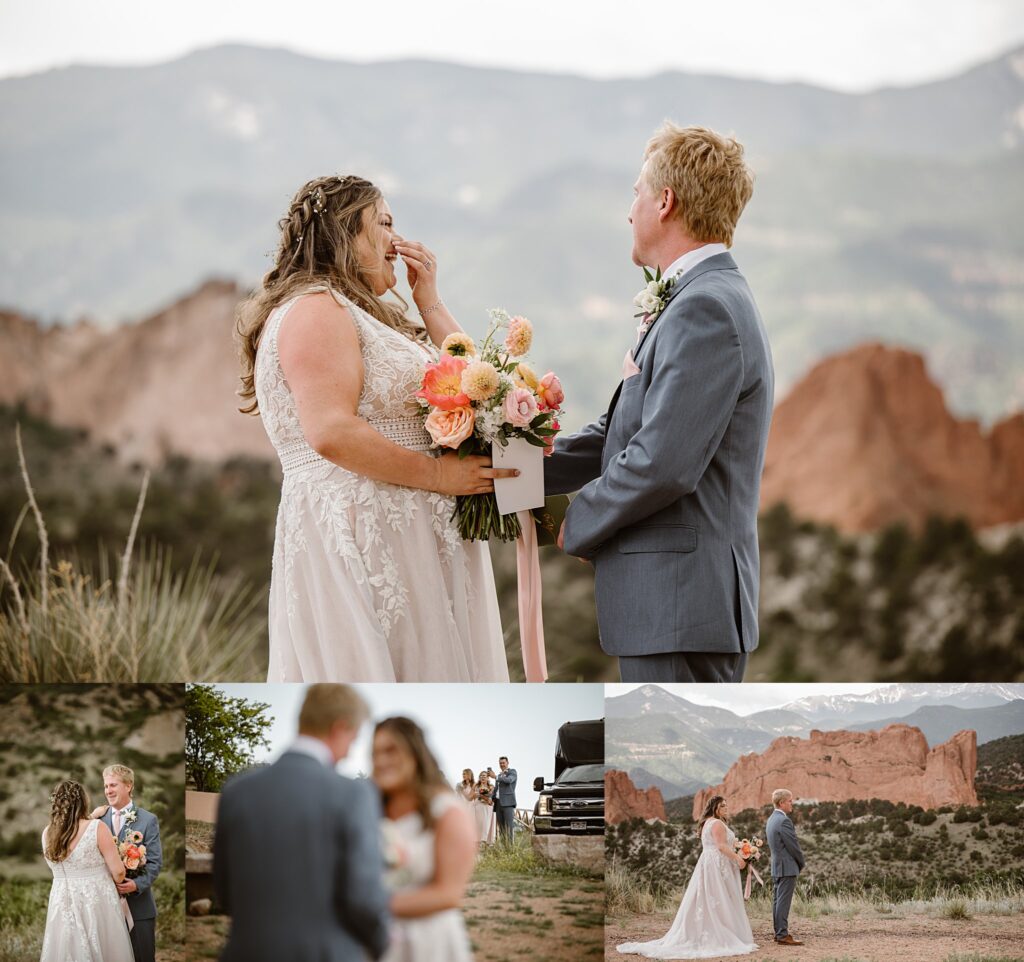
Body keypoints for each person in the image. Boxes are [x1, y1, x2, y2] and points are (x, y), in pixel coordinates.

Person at [236, 174, 515, 682]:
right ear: (345, 233)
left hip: (409, 534)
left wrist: (428, 299)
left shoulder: (363, 313)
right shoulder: (315, 310)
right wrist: (439, 478)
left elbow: (478, 383)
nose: (396, 239)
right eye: (383, 223)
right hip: (367, 537)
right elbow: (330, 432)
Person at [545, 123, 774, 683]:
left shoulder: (706, 310)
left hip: (682, 609)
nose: (630, 211)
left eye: (635, 193)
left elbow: (663, 461)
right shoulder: (698, 298)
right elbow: (620, 433)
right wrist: (514, 471)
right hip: (676, 610)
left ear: (665, 201)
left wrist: (582, 519)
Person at [213, 684, 392, 962]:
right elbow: (364, 900)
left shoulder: (236, 790)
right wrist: (383, 944)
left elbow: (224, 891)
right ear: (340, 728)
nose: (348, 752)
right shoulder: (353, 794)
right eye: (353, 739)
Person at [375, 717, 477, 962]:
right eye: (375, 753)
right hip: (377, 941)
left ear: (415, 752)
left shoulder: (446, 812)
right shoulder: (370, 809)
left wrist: (372, 905)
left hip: (429, 943)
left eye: (391, 750)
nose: (381, 761)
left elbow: (449, 893)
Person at [617, 795, 757, 958]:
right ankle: (721, 932)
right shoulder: (717, 823)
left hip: (709, 863)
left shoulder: (707, 823)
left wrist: (743, 847)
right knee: (721, 897)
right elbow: (721, 846)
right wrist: (738, 858)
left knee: (713, 897)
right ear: (716, 808)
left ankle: (715, 927)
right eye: (723, 806)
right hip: (717, 865)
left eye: (726, 805)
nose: (727, 808)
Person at [40, 780, 134, 962]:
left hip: (61, 901)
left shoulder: (47, 833)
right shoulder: (97, 828)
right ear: (83, 801)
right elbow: (119, 873)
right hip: (95, 901)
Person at [766, 789, 806, 946]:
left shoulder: (771, 819)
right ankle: (782, 934)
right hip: (787, 866)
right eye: (790, 801)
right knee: (783, 901)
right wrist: (801, 862)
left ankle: (779, 933)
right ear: (782, 803)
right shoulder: (784, 821)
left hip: (777, 866)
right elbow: (793, 846)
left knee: (778, 901)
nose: (792, 804)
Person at [490, 756, 517, 842]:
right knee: (501, 828)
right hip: (498, 803)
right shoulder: (499, 775)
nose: (502, 765)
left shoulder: (512, 772)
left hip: (508, 803)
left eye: (503, 763)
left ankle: (510, 849)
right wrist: (492, 798)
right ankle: (503, 849)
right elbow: (496, 789)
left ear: (507, 763)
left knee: (509, 827)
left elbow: (509, 780)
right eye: (500, 763)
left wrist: (496, 777)